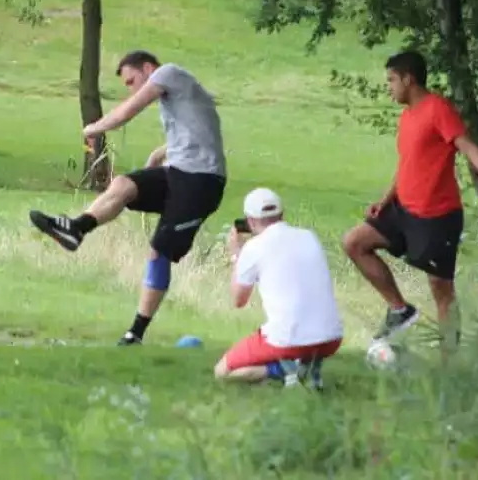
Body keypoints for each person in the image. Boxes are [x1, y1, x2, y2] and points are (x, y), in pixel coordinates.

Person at [29, 50, 227, 346]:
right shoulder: (180, 90)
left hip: (201, 183)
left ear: (148, 68)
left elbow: (126, 113)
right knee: (123, 184)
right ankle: (76, 229)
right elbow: (198, 129)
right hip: (178, 172)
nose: (134, 89)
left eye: (133, 80)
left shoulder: (168, 73)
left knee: (159, 252)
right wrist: (161, 153)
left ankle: (135, 333)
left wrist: (93, 128)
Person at [342, 50, 478, 344]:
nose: (389, 87)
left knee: (441, 290)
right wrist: (385, 201)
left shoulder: (438, 109)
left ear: (408, 79)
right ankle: (400, 308)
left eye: (392, 80)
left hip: (436, 216)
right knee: (354, 242)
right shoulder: (407, 117)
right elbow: (408, 164)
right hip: (401, 210)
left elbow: (465, 145)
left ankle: (449, 365)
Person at [214, 188, 343, 390]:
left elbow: (238, 300)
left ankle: (284, 371)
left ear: (250, 221)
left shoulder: (253, 247)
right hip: (331, 337)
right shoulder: (309, 236)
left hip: (287, 340)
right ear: (281, 215)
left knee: (223, 371)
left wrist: (236, 256)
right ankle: (303, 366)